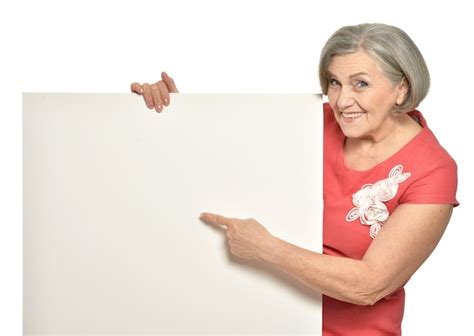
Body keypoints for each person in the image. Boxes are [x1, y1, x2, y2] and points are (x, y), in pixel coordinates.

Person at [130, 23, 458, 335]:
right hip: (266, 318)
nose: (342, 101)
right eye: (334, 82)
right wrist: (175, 113)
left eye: (361, 83)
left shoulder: (433, 171)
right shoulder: (311, 120)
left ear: (401, 88)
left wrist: (267, 249)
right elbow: (229, 159)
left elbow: (370, 284)